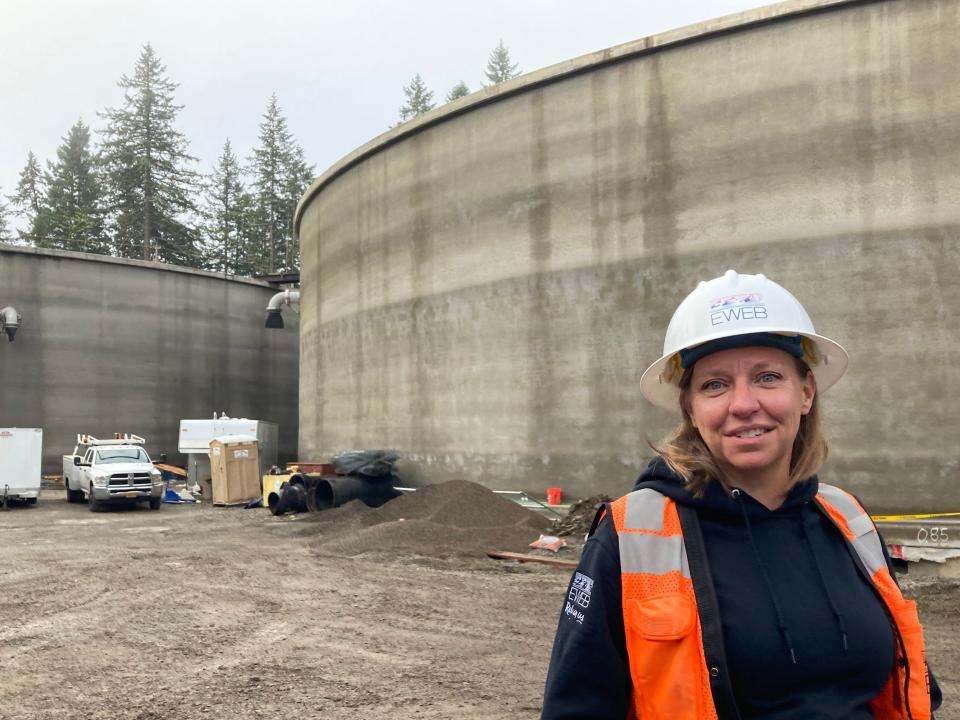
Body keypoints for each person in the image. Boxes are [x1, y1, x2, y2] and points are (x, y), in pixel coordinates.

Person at [541, 270, 942, 719]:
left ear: (805, 391)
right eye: (715, 384)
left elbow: (912, 683)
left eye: (768, 377)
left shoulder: (847, 519)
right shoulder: (633, 534)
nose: (744, 403)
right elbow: (576, 707)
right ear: (690, 408)